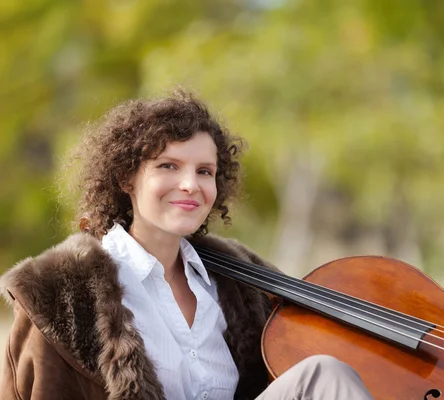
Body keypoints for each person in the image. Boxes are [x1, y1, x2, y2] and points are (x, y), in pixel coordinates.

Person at [0, 90, 373, 400]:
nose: (190, 185)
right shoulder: (60, 292)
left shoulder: (242, 281)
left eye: (204, 172)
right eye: (168, 166)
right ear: (126, 178)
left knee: (324, 374)